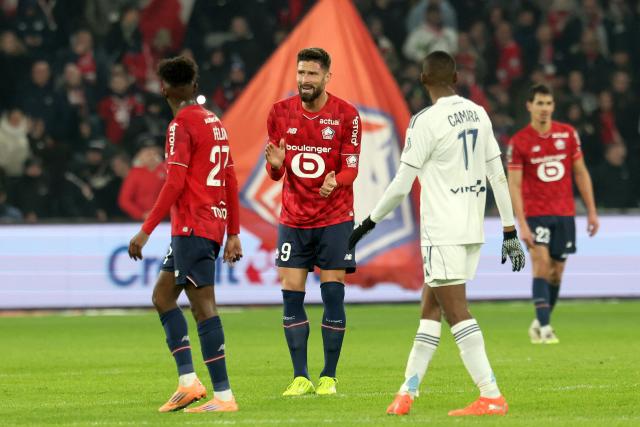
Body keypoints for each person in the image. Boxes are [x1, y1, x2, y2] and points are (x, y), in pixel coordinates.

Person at [349, 51, 525, 417]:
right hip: (471, 227)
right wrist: (509, 230)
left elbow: (401, 184)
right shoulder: (479, 113)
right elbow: (498, 175)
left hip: (441, 230)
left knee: (457, 311)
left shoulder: (424, 121)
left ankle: (491, 394)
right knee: (431, 308)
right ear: (457, 79)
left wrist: (367, 224)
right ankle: (406, 392)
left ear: (423, 79)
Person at [127, 56, 242, 413]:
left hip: (194, 225)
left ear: (163, 88)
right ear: (194, 86)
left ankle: (223, 396)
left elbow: (175, 181)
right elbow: (230, 179)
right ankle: (188, 382)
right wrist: (233, 232)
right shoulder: (215, 122)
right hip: (204, 224)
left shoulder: (180, 124)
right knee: (163, 296)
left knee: (203, 307)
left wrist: (145, 231)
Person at [264, 47, 361, 396]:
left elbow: (351, 165)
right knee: (292, 297)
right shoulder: (279, 113)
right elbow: (274, 174)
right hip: (293, 218)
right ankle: (300, 376)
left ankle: (329, 377)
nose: (305, 80)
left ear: (326, 77)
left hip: (335, 217)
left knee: (333, 295)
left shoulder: (347, 115)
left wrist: (338, 180)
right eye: (301, 73)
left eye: (312, 74)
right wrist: (276, 164)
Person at [507, 83, 599, 344]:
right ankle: (546, 329)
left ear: (553, 106)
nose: (544, 108)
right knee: (541, 263)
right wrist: (521, 223)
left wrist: (591, 211)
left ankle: (539, 322)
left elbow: (580, 172)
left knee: (557, 272)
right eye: (539, 103)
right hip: (536, 214)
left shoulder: (568, 134)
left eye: (548, 103)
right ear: (529, 106)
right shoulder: (520, 141)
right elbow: (513, 184)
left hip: (564, 213)